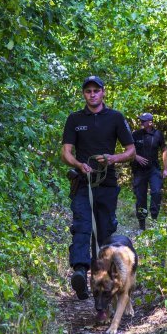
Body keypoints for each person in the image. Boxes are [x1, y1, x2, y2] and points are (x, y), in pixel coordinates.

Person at [61, 75, 136, 300]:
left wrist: (112, 159)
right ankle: (80, 273)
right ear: (83, 94)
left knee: (104, 233)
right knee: (82, 227)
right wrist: (78, 164)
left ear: (103, 92)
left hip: (107, 184)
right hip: (83, 184)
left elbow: (131, 151)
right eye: (88, 91)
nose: (92, 94)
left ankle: (103, 282)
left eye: (96, 90)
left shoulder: (115, 117)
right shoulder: (74, 119)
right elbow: (66, 152)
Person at [131, 112, 167, 230]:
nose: (141, 122)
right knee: (141, 197)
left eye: (144, 121)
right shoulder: (136, 135)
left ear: (150, 122)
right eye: (141, 120)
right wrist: (136, 157)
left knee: (156, 193)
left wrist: (165, 169)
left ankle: (154, 221)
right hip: (139, 171)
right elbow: (128, 150)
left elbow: (164, 150)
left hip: (154, 169)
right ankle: (142, 227)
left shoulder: (158, 135)